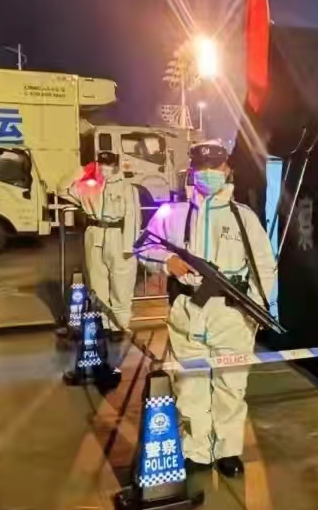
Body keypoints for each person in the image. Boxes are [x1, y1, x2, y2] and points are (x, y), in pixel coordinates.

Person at [138, 140, 277, 478]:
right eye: (202, 167)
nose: (209, 173)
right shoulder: (172, 213)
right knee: (190, 387)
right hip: (187, 311)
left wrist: (257, 309)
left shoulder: (244, 217)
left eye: (215, 167)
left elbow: (263, 266)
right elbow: (144, 247)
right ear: (192, 170)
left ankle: (228, 450)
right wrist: (167, 261)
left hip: (232, 314)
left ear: (227, 169)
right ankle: (197, 451)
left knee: (231, 388)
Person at [62, 151, 140, 340]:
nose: (105, 168)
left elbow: (133, 217)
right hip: (94, 234)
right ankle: (104, 324)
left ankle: (119, 325)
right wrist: (83, 171)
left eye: (109, 164)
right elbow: (62, 189)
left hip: (118, 235)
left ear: (116, 166)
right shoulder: (88, 186)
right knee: (97, 284)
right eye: (101, 164)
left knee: (121, 285)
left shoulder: (127, 187)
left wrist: (129, 247)